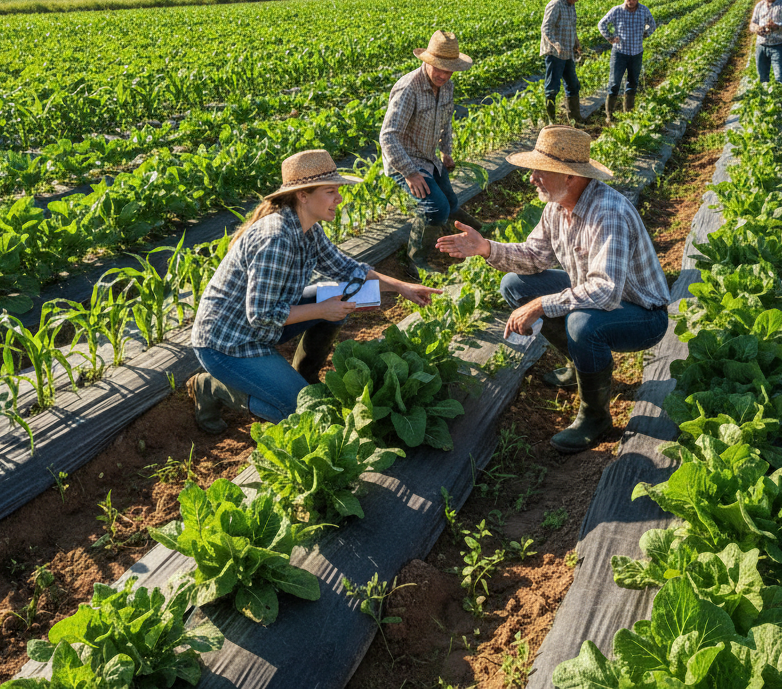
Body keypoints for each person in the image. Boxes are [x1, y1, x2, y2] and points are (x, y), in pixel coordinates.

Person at [436, 125, 669, 453]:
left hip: (641, 314)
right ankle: (581, 364)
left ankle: (596, 417)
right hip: (597, 294)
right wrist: (485, 248)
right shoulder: (556, 208)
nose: (531, 179)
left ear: (570, 177)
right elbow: (533, 257)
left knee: (582, 324)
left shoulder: (608, 214)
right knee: (515, 285)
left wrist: (542, 304)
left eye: (540, 172)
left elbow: (605, 291)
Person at [187, 149, 439, 433]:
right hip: (228, 342)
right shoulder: (276, 240)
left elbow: (348, 268)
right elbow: (261, 315)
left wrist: (402, 286)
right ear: (302, 196)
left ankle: (302, 376)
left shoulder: (309, 229)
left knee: (335, 296)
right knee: (305, 411)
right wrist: (321, 309)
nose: (339, 198)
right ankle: (214, 387)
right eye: (330, 191)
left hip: (261, 322)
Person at [380, 30, 481, 276]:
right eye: (439, 68)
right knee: (436, 209)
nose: (443, 75)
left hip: (430, 158)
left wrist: (446, 153)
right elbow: (388, 136)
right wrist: (410, 173)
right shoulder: (409, 89)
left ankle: (477, 232)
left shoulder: (447, 87)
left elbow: (445, 124)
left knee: (451, 202)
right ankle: (417, 259)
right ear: (426, 61)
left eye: (449, 70)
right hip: (405, 160)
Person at [598, 0, 657, 122]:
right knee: (614, 83)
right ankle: (609, 116)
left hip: (636, 53)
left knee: (632, 83)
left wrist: (645, 34)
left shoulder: (644, 11)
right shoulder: (617, 11)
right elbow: (602, 24)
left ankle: (628, 113)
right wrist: (610, 38)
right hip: (620, 53)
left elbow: (653, 24)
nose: (631, 1)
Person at [541, 0, 586, 126]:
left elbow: (572, 27)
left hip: (567, 52)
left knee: (573, 85)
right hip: (555, 53)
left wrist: (576, 43)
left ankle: (574, 118)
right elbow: (546, 28)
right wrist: (556, 45)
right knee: (552, 88)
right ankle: (551, 122)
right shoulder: (555, 5)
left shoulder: (570, 5)